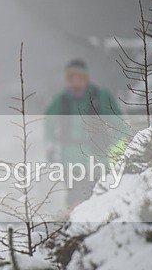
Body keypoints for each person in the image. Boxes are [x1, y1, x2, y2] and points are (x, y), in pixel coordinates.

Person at [45, 59, 122, 209]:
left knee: (97, 197)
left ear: (86, 77)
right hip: (70, 160)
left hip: (98, 157)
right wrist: (50, 145)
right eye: (71, 77)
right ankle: (76, 227)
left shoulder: (100, 96)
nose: (75, 80)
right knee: (75, 199)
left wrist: (116, 151)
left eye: (79, 76)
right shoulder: (61, 100)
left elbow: (120, 125)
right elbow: (49, 123)